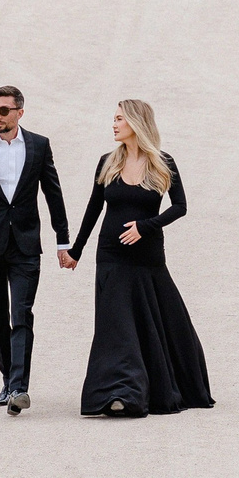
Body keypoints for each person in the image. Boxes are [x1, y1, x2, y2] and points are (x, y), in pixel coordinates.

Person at [63, 100, 211, 419]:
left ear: (135, 122)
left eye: (119, 119)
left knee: (157, 321)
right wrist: (77, 250)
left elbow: (180, 207)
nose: (114, 124)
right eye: (114, 119)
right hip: (110, 256)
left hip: (147, 259)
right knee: (116, 327)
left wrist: (145, 227)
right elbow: (94, 208)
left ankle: (155, 387)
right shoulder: (108, 162)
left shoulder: (162, 162)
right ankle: (119, 393)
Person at [0, 86, 71, 417]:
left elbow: (53, 194)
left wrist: (63, 241)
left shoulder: (39, 145)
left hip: (25, 246)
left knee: (21, 313)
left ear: (19, 112)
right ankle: (8, 381)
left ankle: (19, 388)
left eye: (4, 110)